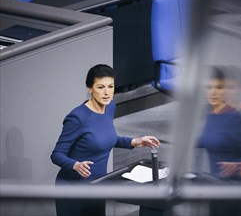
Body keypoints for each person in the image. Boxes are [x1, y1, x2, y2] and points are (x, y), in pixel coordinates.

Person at [51, 64, 160, 216]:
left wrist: (135, 141)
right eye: (101, 87)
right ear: (90, 88)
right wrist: (75, 165)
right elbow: (56, 154)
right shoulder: (77, 118)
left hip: (98, 185)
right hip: (73, 189)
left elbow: (107, 138)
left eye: (111, 86)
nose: (107, 93)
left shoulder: (110, 107)